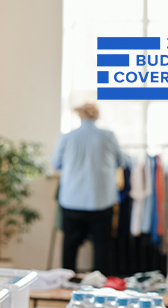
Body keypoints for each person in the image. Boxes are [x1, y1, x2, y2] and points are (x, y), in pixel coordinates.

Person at [51, 102, 124, 274]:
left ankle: (66, 283)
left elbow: (56, 164)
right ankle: (100, 287)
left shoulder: (67, 137)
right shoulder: (108, 136)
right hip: (101, 201)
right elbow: (120, 162)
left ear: (80, 115)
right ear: (96, 116)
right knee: (102, 247)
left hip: (72, 200)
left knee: (70, 246)